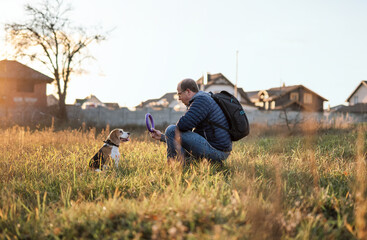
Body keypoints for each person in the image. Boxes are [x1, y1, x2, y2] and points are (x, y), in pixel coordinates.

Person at [150, 78, 232, 164]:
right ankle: (208, 162)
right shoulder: (205, 98)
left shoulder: (201, 100)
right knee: (172, 132)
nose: (179, 99)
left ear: (188, 91)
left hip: (217, 151)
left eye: (180, 94)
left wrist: (169, 134)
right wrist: (163, 137)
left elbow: (182, 125)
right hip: (217, 149)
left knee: (171, 130)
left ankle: (175, 165)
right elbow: (187, 137)